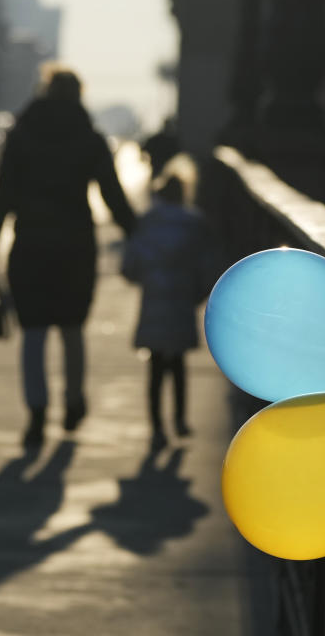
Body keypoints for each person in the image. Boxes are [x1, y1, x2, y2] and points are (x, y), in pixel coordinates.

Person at [0, 65, 136, 448]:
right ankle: (73, 400)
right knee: (71, 328)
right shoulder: (88, 137)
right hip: (75, 245)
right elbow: (111, 194)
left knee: (33, 332)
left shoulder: (22, 136)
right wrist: (139, 232)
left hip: (30, 242)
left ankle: (36, 412)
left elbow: (3, 196)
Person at [121, 154, 216, 451]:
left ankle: (157, 427)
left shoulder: (147, 223)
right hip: (181, 304)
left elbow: (129, 267)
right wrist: (197, 294)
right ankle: (180, 419)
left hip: (154, 304)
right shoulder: (196, 225)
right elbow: (208, 267)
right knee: (177, 365)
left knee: (155, 367)